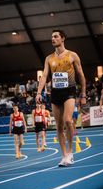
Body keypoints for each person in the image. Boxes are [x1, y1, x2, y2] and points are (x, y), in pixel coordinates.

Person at [36, 30, 86, 167]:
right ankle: (64, 155)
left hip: (69, 91)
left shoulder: (72, 55)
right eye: (51, 37)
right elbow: (45, 76)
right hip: (55, 93)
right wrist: (39, 92)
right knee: (58, 126)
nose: (53, 39)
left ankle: (70, 152)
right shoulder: (48, 58)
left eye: (56, 36)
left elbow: (81, 76)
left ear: (63, 38)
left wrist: (83, 94)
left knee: (68, 120)